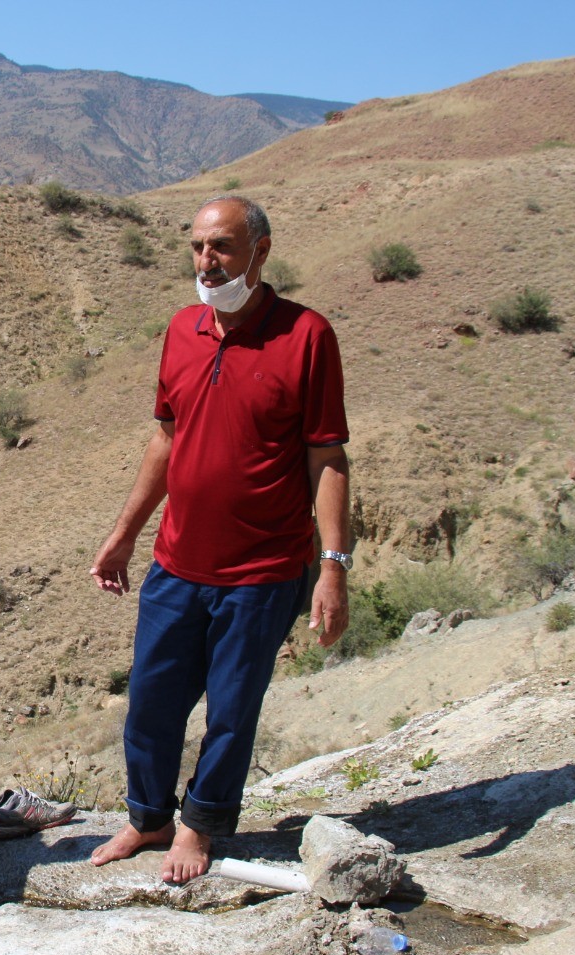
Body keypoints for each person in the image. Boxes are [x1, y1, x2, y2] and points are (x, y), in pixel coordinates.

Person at [88, 195, 352, 885]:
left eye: (223, 248)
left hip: (262, 571)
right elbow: (166, 440)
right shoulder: (181, 330)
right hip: (178, 564)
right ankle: (148, 818)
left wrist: (333, 567)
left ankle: (199, 825)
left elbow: (327, 458)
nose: (207, 262)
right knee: (150, 701)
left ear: (260, 252)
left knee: (232, 710)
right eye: (200, 247)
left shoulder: (306, 336)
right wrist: (123, 537)